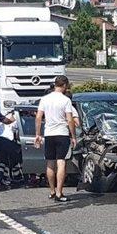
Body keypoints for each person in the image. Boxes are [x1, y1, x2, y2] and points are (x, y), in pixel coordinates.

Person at [35, 75, 77, 203]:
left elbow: (38, 117)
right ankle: (59, 192)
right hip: (62, 133)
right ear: (64, 85)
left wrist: (38, 134)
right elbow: (70, 119)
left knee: (50, 162)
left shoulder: (45, 99)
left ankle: (52, 191)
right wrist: (73, 136)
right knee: (61, 162)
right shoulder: (65, 100)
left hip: (49, 133)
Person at [0, 117, 24, 190]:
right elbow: (17, 135)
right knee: (15, 158)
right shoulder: (17, 120)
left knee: (2, 162)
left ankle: (0, 180)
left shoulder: (3, 120)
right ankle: (16, 178)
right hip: (7, 140)